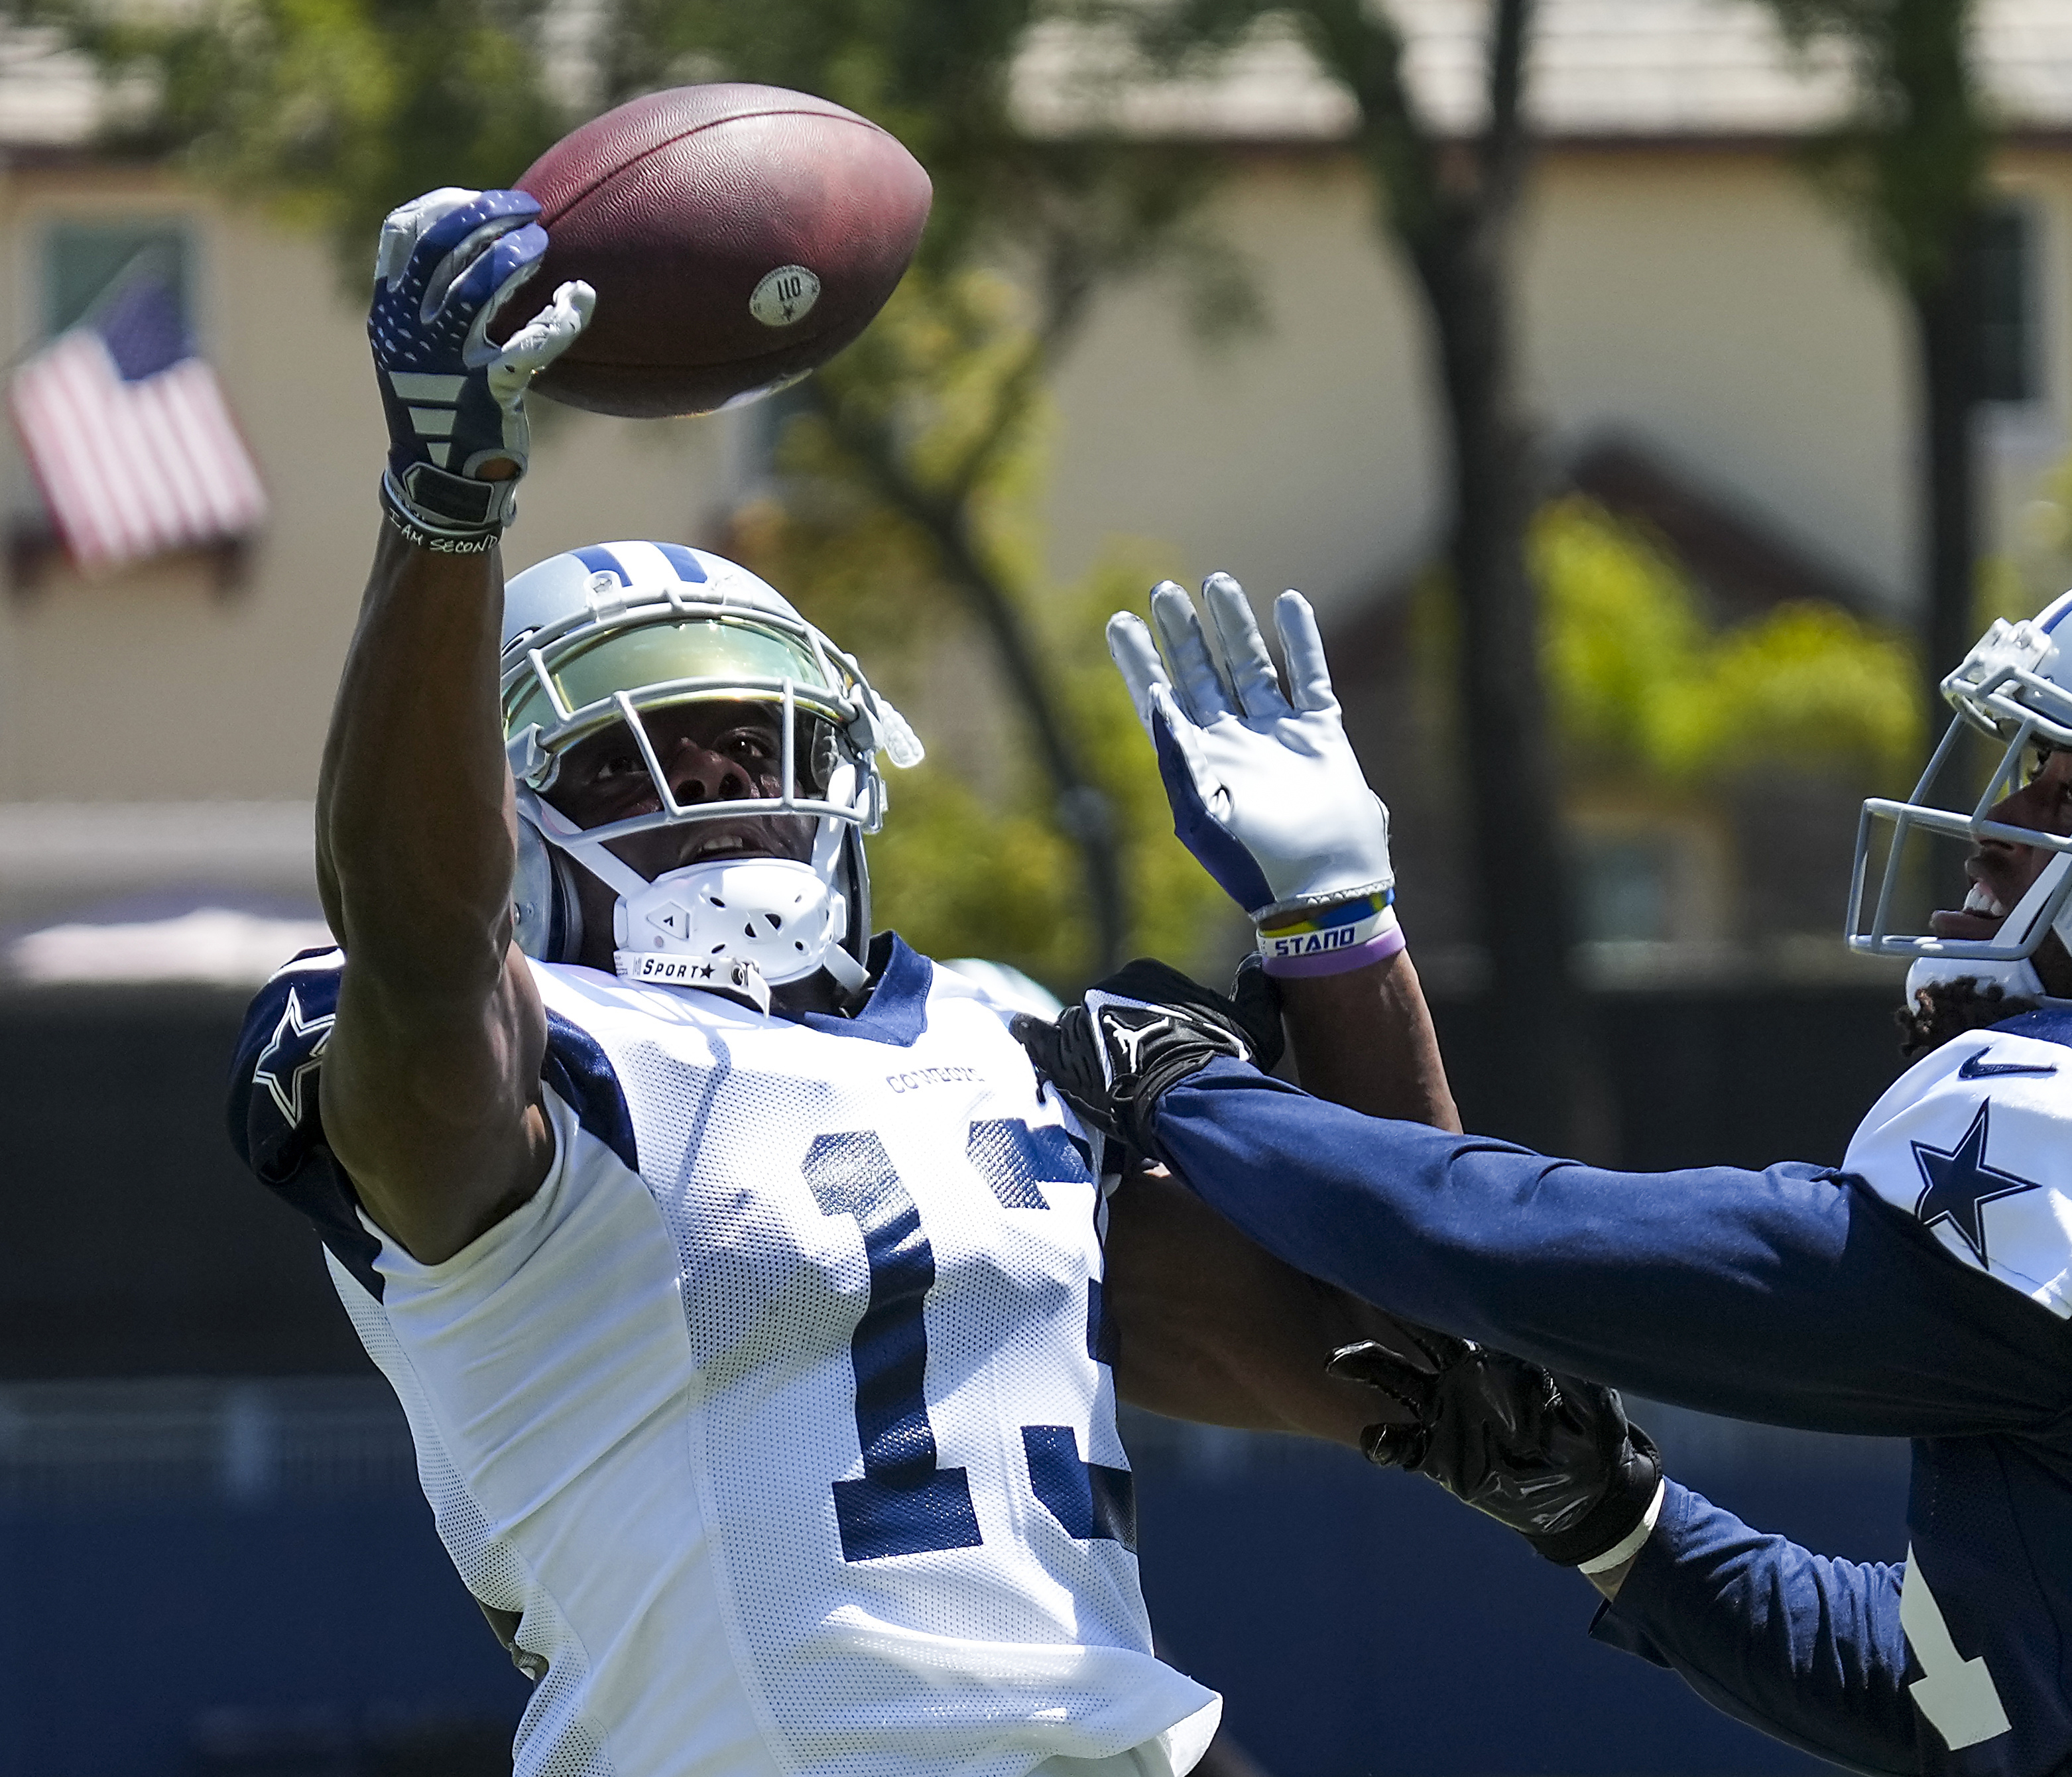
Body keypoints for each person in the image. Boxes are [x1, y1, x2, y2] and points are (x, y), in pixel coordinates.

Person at [1023, 551, 2072, 1776]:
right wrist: (1616, 1519)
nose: (1990, 835)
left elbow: (1553, 1256)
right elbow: (1938, 1691)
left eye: (2060, 789)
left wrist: (1201, 1094)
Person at [226, 186, 1445, 1777]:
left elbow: (1417, 1364)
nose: (718, 781)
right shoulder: (516, 1052)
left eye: (761, 739)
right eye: (619, 761)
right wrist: (444, 507)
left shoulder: (1009, 1039)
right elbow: (418, 948)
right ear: (495, 815)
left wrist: (1337, 930)